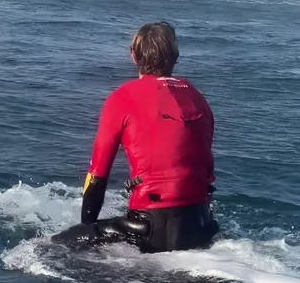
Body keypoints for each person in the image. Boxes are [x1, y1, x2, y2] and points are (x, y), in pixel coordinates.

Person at [52, 21, 219, 253]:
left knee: (54, 245)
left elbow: (97, 176)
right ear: (176, 56)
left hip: (149, 230)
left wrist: (87, 228)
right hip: (202, 225)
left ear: (134, 56)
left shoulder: (122, 99)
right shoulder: (198, 98)